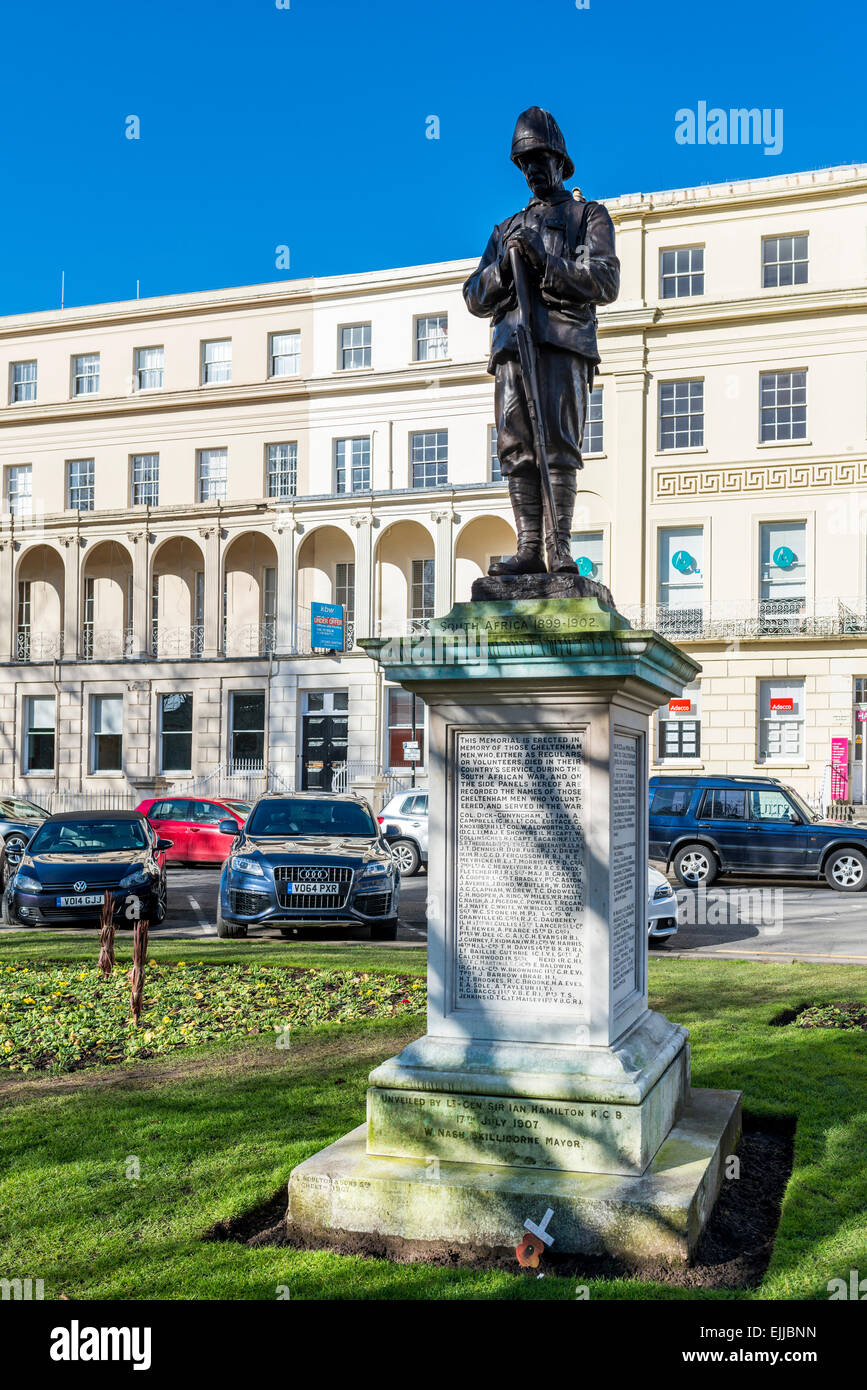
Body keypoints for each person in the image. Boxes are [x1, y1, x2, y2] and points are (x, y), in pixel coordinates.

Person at [463, 107, 620, 575]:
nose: (531, 169)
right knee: (517, 446)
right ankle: (529, 544)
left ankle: (559, 546)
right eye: (523, 162)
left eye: (538, 158)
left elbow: (605, 280)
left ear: (559, 160)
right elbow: (473, 294)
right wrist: (503, 270)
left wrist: (545, 265)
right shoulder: (504, 229)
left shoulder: (586, 215)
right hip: (514, 347)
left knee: (558, 444)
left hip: (563, 343)